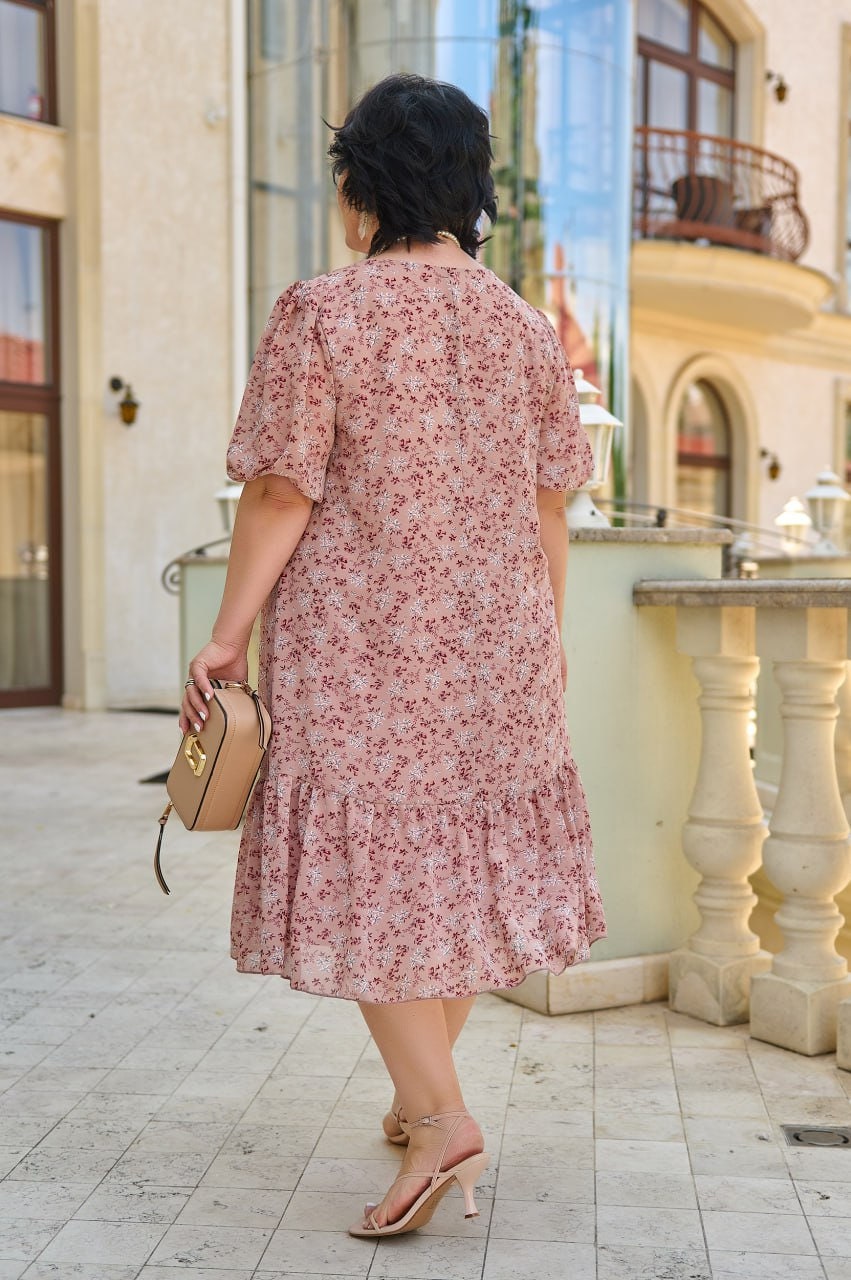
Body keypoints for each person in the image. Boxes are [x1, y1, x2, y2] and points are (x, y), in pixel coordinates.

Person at [180, 72, 607, 1239]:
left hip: (361, 645)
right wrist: (543, 641)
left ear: (359, 186)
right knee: (456, 871)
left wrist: (224, 637)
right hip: (501, 641)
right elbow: (550, 505)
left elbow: (278, 491)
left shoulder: (324, 311)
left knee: (366, 873)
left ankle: (444, 1109)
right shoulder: (524, 327)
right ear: (469, 189)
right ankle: (422, 1109)